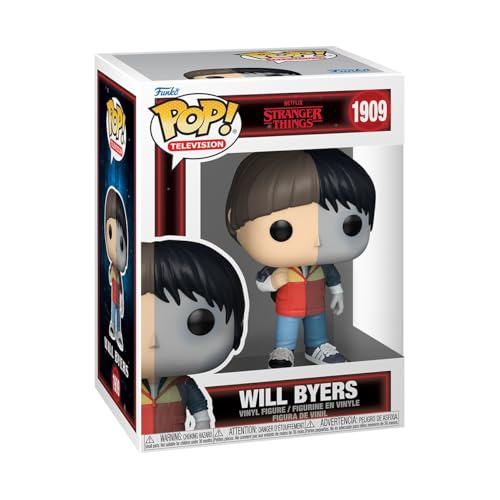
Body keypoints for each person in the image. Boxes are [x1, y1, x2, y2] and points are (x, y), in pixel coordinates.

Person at [225, 149, 375, 368]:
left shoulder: (323, 265)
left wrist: (337, 292)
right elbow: (261, 282)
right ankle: (283, 350)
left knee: (317, 328)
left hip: (316, 306)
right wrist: (273, 282)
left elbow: (333, 277)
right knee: (286, 330)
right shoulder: (278, 266)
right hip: (288, 307)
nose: (316, 241)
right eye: (281, 229)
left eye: (349, 225)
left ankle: (318, 347)